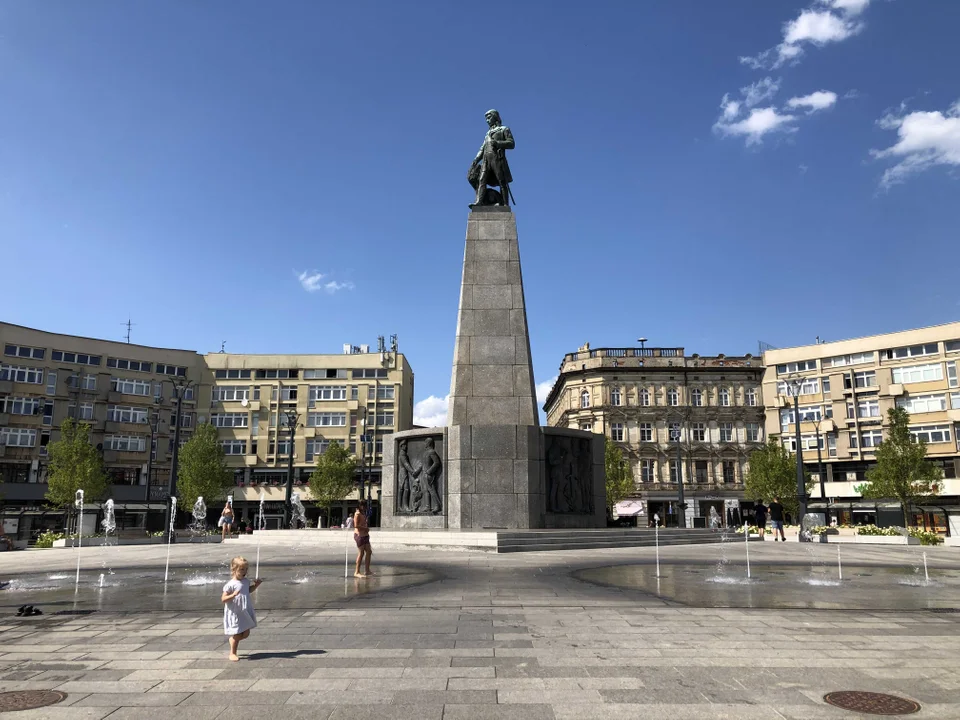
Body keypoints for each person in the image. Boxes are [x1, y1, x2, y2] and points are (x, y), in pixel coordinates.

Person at [221, 556, 262, 661]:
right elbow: (223, 598)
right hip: (236, 612)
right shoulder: (230, 585)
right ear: (234, 570)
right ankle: (232, 653)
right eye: (241, 569)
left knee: (246, 633)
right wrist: (233, 595)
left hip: (245, 610)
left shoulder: (245, 581)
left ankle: (233, 639)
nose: (244, 572)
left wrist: (255, 586)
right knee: (239, 633)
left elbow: (248, 590)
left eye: (246, 569)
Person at [353, 500, 372, 578]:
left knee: (369, 551)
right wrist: (365, 528)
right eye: (362, 505)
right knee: (361, 553)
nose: (363, 507)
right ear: (359, 506)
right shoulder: (357, 514)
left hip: (365, 535)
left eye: (364, 505)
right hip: (359, 535)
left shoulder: (363, 513)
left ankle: (367, 570)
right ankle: (356, 572)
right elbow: (356, 525)